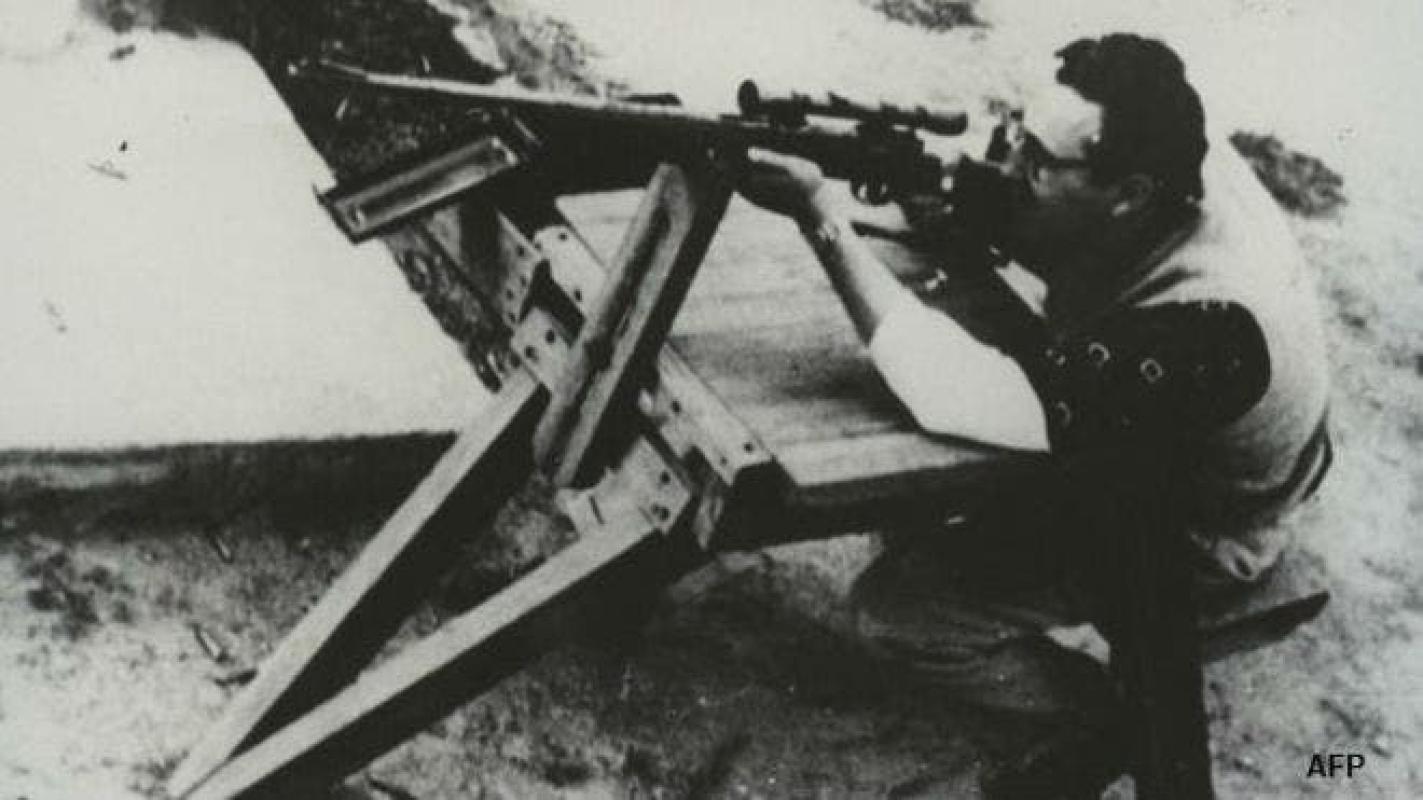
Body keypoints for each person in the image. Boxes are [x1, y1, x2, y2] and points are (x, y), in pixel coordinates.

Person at [735, 31, 1331, 760]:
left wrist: (821, 214)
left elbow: (954, 394)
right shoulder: (1161, 144)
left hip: (1200, 519)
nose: (1010, 161)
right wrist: (958, 188)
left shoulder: (1207, 328)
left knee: (897, 613)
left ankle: (1092, 717)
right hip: (1173, 430)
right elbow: (1027, 197)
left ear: (1130, 193)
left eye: (1037, 160)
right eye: (1016, 129)